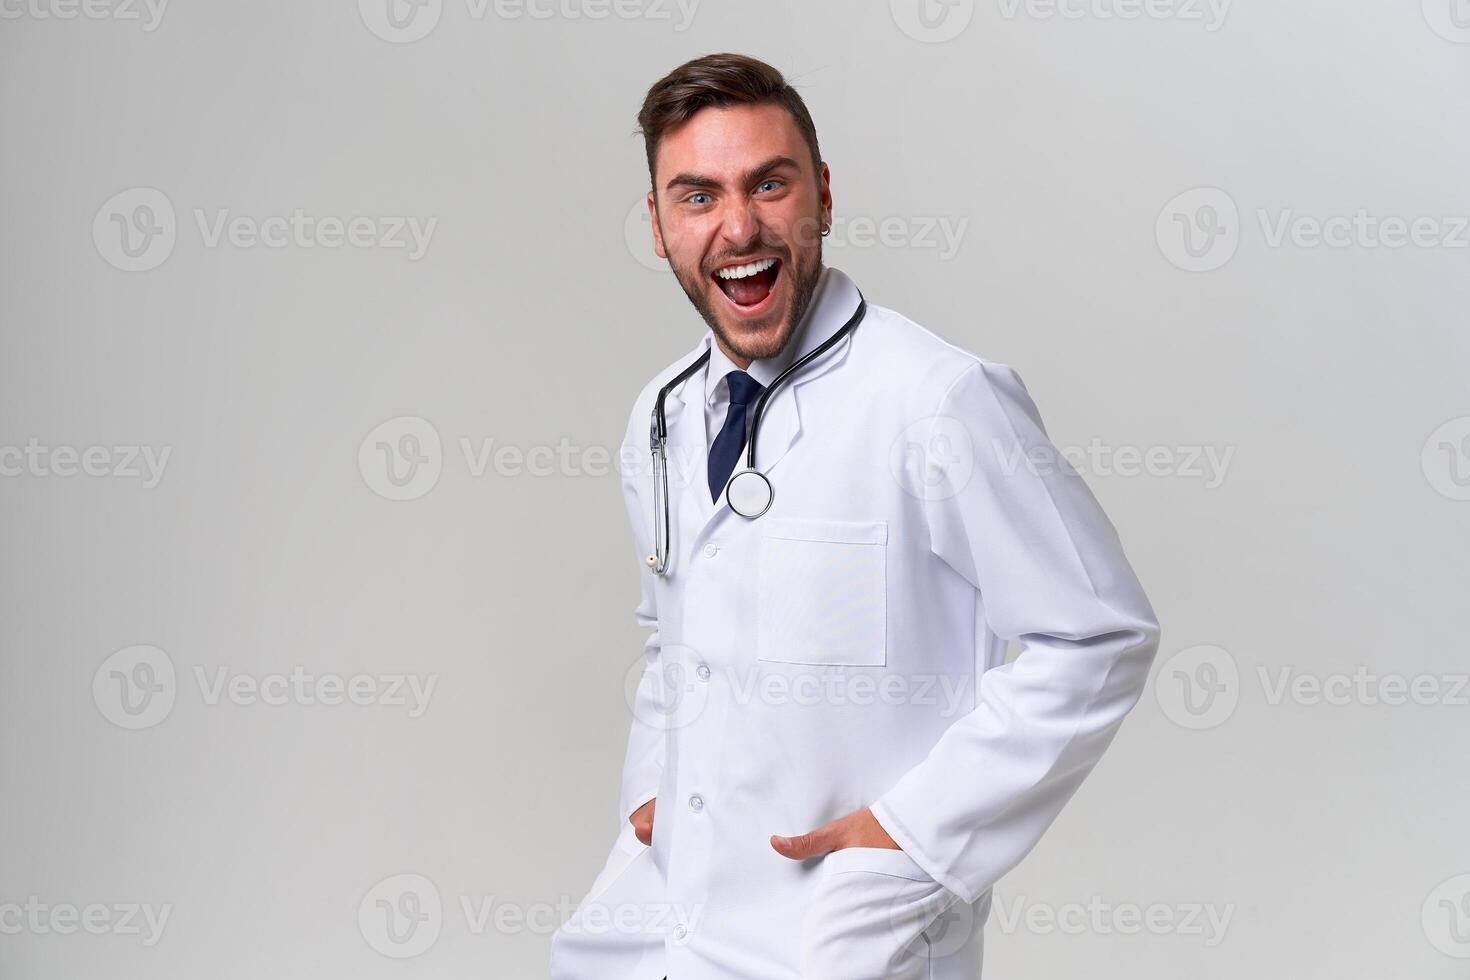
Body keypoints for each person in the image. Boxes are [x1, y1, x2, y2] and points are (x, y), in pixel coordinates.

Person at [549, 52, 1161, 980]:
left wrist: (910, 840)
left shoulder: (939, 401)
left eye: (770, 183)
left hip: (842, 931)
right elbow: (671, 634)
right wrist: (651, 795)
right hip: (669, 915)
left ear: (823, 197)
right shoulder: (661, 415)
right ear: (660, 226)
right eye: (698, 197)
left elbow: (1100, 633)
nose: (739, 226)